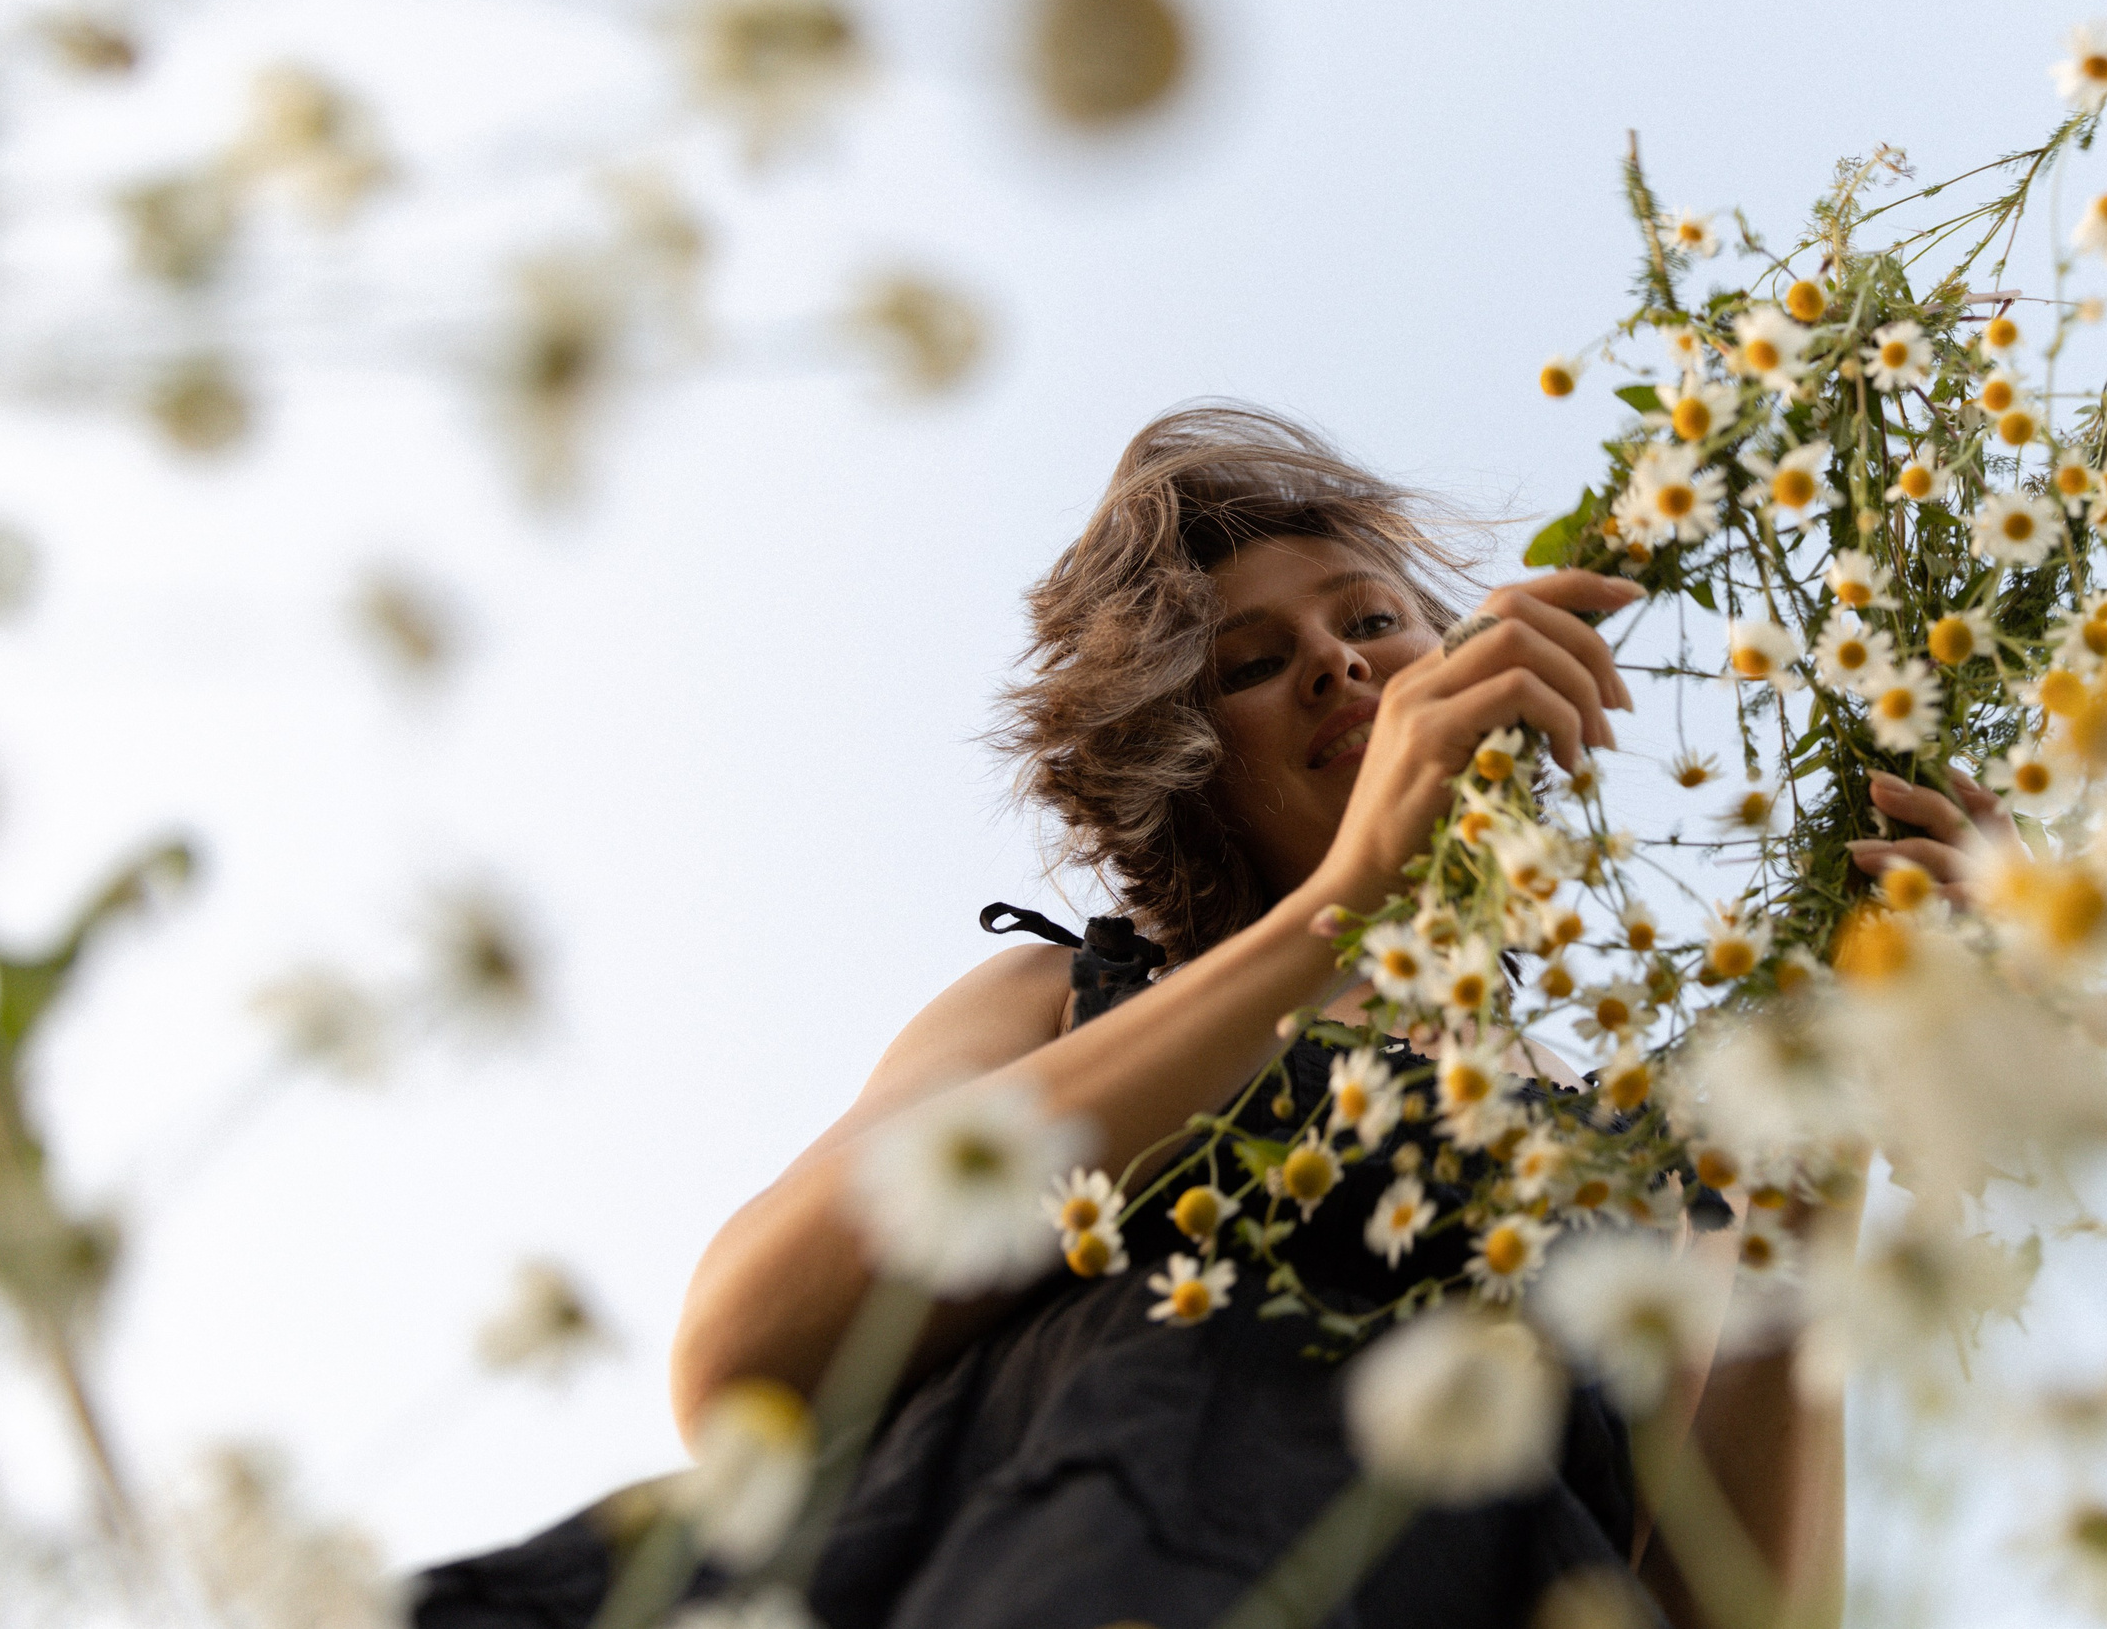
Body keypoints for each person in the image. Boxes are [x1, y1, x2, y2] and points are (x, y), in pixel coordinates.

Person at [416, 403, 1991, 1629]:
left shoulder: (1639, 1180)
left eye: (1372, 621)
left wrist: (1836, 1116)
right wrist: (1336, 917)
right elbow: (748, 1357)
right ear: (1182, 763)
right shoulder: (1071, 998)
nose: (1333, 664)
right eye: (1251, 663)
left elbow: (1720, 1604)